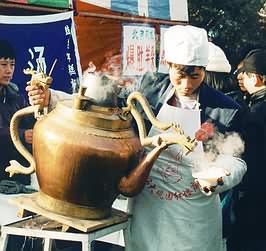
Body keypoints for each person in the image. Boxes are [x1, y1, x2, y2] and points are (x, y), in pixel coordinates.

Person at [26, 25, 247, 251]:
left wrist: (221, 175)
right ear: (168, 65)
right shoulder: (150, 87)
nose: (186, 85)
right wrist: (51, 98)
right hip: (147, 204)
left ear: (204, 70)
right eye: (179, 75)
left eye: (195, 75)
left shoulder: (225, 109)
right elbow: (99, 107)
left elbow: (235, 159)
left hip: (193, 213)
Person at [230, 49, 266, 251]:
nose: (241, 78)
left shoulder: (255, 112)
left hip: (253, 191)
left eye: (246, 75)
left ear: (257, 79)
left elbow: (241, 147)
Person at [0, 39, 35, 189]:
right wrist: (22, 134)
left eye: (12, 65)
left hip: (17, 172)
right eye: (3, 65)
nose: (9, 70)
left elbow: (31, 121)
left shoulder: (16, 97)